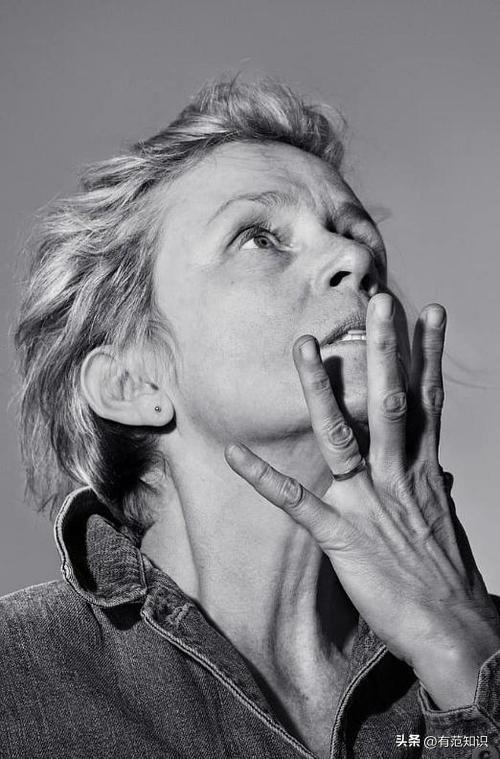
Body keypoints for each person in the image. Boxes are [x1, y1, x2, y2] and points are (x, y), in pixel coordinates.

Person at [2, 75, 500, 759]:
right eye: (259, 236)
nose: (356, 258)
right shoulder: (18, 680)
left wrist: (463, 649)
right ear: (131, 382)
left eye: (356, 236)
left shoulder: (482, 643)